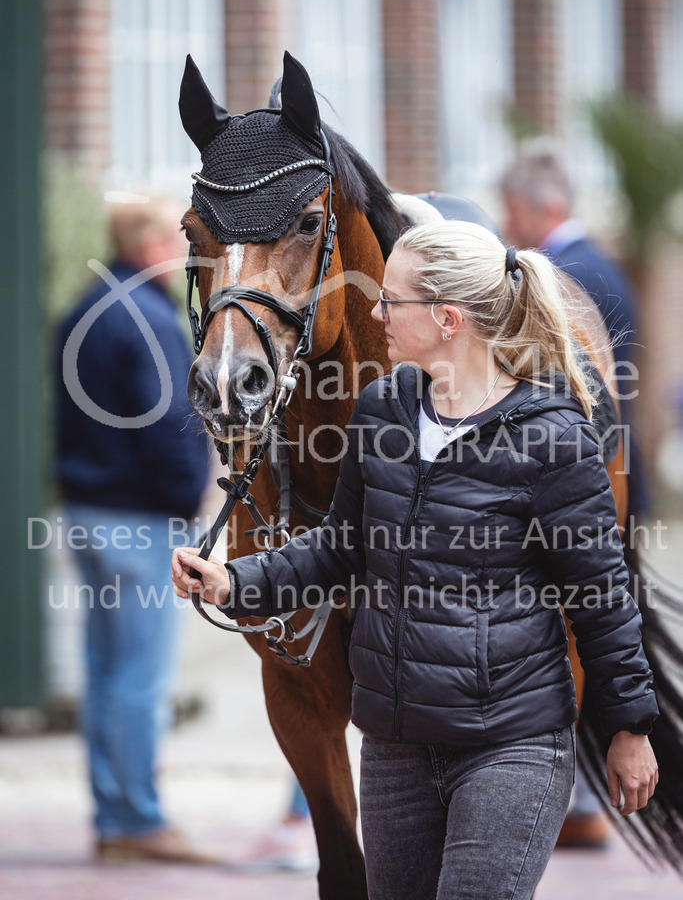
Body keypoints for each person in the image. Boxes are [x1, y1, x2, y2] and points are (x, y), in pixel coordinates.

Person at [172, 221, 659, 899]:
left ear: (448, 319)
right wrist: (234, 581)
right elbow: (342, 544)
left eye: (390, 300)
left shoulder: (553, 437)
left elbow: (600, 596)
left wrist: (630, 726)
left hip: (509, 745)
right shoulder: (383, 410)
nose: (375, 314)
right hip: (394, 751)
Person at [500, 141, 647, 846]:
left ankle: (579, 797)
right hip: (604, 472)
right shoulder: (601, 264)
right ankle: (583, 797)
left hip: (584, 480)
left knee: (584, 627)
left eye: (513, 210)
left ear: (545, 206)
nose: (509, 225)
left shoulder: (567, 275)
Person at [57, 191, 211, 863]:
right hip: (138, 522)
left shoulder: (83, 309)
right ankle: (137, 822)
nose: (183, 255)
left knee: (104, 674)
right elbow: (168, 424)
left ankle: (114, 815)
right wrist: (191, 500)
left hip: (88, 513)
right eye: (177, 241)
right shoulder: (149, 317)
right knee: (140, 680)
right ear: (150, 245)